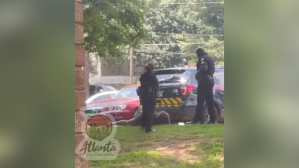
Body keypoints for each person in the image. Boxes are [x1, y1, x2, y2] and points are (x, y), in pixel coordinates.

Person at [187, 47, 218, 124]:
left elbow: (204, 67)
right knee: (209, 101)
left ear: (199, 53)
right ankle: (213, 120)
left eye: (197, 54)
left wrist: (198, 73)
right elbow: (213, 70)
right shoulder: (210, 58)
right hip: (210, 81)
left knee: (200, 101)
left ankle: (195, 120)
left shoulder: (202, 58)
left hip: (204, 82)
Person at [138, 62, 160, 133]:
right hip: (150, 95)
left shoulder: (142, 76)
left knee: (145, 110)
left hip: (143, 95)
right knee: (150, 111)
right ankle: (148, 128)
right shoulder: (152, 76)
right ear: (152, 68)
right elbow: (157, 85)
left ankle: (143, 124)